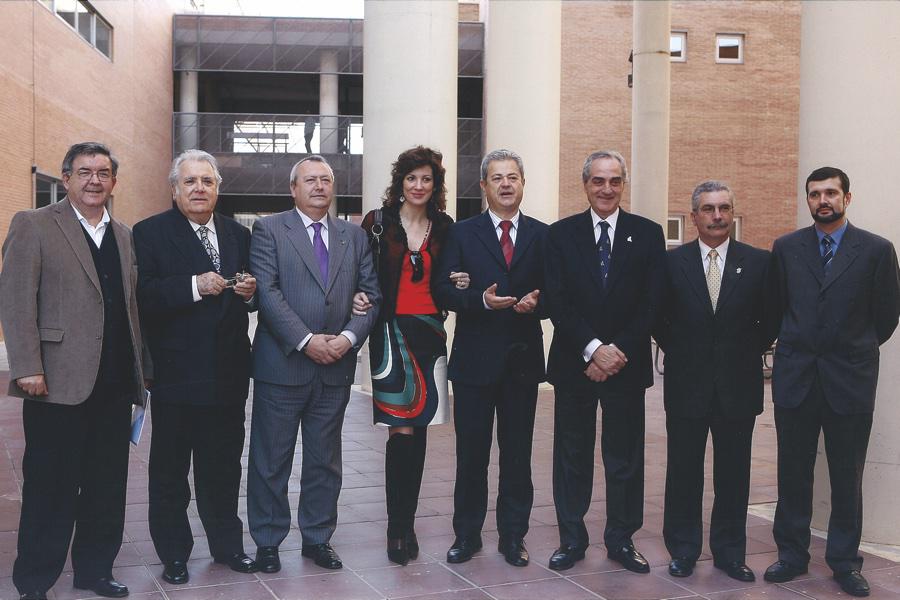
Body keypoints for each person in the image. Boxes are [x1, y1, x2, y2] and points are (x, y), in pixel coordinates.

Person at [0, 142, 149, 600]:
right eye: (84, 172)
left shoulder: (123, 234)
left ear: (114, 182)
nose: (94, 181)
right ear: (65, 178)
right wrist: (27, 366)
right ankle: (34, 582)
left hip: (113, 384)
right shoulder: (35, 224)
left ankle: (94, 571)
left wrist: (140, 375)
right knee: (50, 489)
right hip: (55, 382)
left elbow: (128, 307)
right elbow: (16, 298)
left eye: (103, 173)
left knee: (106, 487)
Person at [764, 167, 900, 598]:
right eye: (814, 194)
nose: (822, 200)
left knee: (846, 474)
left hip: (849, 379)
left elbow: (886, 316)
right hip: (796, 378)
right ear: (807, 200)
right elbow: (775, 309)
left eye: (830, 193)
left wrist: (851, 348)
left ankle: (844, 562)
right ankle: (791, 554)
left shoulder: (877, 250)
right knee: (793, 471)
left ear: (847, 197)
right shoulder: (786, 248)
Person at [246, 155, 380, 574]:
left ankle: (318, 538)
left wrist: (347, 338)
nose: (319, 186)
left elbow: (370, 294)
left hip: (336, 366)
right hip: (283, 366)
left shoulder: (354, 237)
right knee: (272, 459)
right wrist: (306, 341)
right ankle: (268, 541)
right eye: (310, 180)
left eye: (326, 180)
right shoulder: (269, 229)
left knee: (325, 460)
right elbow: (266, 292)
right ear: (293, 188)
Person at [133, 150, 259, 585]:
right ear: (174, 190)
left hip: (228, 375)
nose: (199, 189)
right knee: (170, 471)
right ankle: (174, 553)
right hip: (175, 375)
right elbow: (144, 295)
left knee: (223, 467)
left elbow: (254, 296)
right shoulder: (148, 233)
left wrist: (249, 292)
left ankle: (226, 545)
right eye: (190, 182)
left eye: (207, 181)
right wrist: (193, 286)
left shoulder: (238, 234)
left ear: (218, 189)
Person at [544, 150, 666, 572]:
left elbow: (653, 303)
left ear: (623, 185)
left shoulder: (648, 234)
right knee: (572, 455)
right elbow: (557, 300)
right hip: (575, 364)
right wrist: (594, 348)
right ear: (585, 185)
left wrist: (616, 352)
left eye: (615, 181)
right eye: (599, 181)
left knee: (625, 457)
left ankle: (621, 539)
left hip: (626, 366)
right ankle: (572, 539)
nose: (607, 189)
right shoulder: (560, 235)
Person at [352, 146, 469, 565]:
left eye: (426, 179)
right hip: (389, 332)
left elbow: (455, 278)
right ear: (400, 183)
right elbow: (360, 272)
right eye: (411, 178)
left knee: (419, 432)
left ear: (435, 186)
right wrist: (358, 296)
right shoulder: (377, 223)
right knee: (399, 432)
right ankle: (396, 528)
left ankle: (408, 521)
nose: (418, 186)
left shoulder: (446, 226)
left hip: (431, 335)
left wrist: (461, 279)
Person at [432, 149, 549, 567]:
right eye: (496, 177)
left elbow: (556, 291)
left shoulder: (542, 234)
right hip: (474, 363)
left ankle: (513, 536)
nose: (505, 184)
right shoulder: (462, 234)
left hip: (521, 361)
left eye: (512, 177)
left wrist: (538, 302)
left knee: (517, 455)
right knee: (472, 455)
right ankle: (466, 536)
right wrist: (479, 299)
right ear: (483, 185)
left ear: (522, 183)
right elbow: (443, 291)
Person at [655, 181, 774, 581]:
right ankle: (684, 550)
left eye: (724, 208)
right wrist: (688, 353)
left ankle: (729, 553)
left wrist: (737, 353)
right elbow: (659, 320)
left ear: (732, 213)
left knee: (734, 475)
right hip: (687, 385)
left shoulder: (758, 262)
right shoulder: (672, 263)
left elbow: (769, 320)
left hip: (738, 387)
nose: (717, 216)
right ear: (694, 217)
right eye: (708, 209)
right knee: (684, 473)